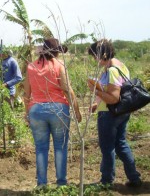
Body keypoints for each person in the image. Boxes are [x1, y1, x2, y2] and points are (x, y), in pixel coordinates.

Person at [24, 38, 82, 187]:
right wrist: (76, 110)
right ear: (56, 52)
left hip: (36, 109)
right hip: (58, 109)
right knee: (60, 147)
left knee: (41, 148)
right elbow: (67, 89)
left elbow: (26, 93)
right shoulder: (59, 66)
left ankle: (41, 184)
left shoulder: (31, 67)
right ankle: (61, 183)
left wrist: (27, 112)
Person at [87, 39, 142, 187]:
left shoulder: (111, 71)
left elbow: (113, 98)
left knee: (107, 147)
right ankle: (134, 177)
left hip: (109, 113)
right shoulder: (120, 66)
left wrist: (95, 90)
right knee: (121, 144)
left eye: (95, 56)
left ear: (102, 54)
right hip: (122, 112)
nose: (95, 60)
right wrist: (96, 102)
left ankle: (106, 180)